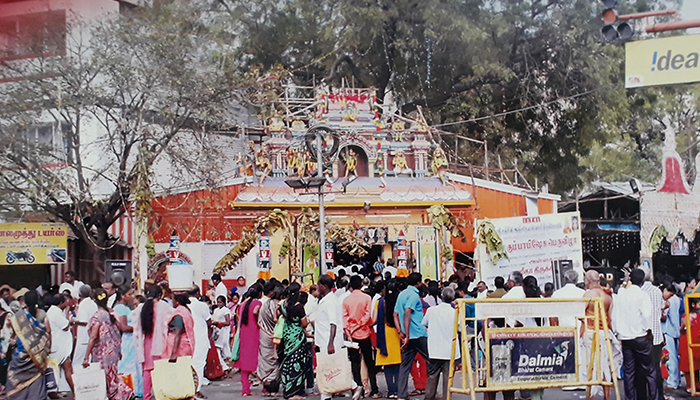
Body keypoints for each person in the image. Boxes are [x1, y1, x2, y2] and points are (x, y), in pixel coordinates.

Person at [612, 268, 657, 400]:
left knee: (629, 372)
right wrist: (648, 331)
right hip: (640, 336)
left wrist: (618, 332)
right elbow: (647, 316)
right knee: (649, 371)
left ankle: (630, 398)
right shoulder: (642, 295)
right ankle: (653, 397)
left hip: (625, 338)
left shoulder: (621, 295)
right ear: (643, 281)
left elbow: (614, 317)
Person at [314, 274, 361, 400]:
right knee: (330, 369)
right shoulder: (326, 299)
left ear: (324, 286)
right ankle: (331, 393)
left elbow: (333, 323)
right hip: (324, 340)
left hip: (329, 341)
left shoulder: (330, 301)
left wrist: (330, 343)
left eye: (319, 285)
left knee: (333, 368)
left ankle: (351, 387)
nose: (317, 287)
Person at [83, 288, 133, 400]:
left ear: (94, 300)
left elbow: (93, 337)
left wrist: (86, 356)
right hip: (114, 351)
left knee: (105, 379)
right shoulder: (111, 313)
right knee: (113, 377)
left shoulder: (97, 316)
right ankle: (124, 394)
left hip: (102, 353)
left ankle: (125, 393)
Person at [4, 290, 50, 400]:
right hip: (36, 358)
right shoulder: (42, 315)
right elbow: (47, 333)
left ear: (24, 301)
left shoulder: (19, 316)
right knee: (36, 383)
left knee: (15, 386)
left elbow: (11, 332)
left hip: (20, 357)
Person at [394, 273, 431, 400]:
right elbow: (407, 312)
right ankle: (431, 392)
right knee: (432, 361)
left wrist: (401, 332)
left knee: (405, 366)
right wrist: (408, 334)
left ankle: (402, 394)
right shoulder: (414, 295)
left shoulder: (402, 294)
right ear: (418, 283)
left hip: (406, 334)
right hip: (417, 333)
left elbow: (395, 314)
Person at [343, 275, 380, 398]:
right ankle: (374, 389)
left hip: (352, 336)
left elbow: (345, 319)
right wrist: (358, 326)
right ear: (360, 285)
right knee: (369, 362)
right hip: (364, 333)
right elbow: (366, 316)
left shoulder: (346, 300)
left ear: (350, 286)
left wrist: (349, 332)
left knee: (354, 363)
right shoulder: (367, 298)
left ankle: (359, 389)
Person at [581, 270, 615, 400]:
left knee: (591, 365)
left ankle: (590, 396)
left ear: (588, 281)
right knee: (604, 364)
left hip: (590, 331)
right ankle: (606, 396)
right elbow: (610, 319)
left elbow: (580, 314)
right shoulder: (607, 297)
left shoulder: (589, 294)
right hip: (603, 332)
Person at [133, 284, 171, 400]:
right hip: (160, 343)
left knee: (147, 372)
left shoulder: (140, 308)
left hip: (145, 344)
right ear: (160, 296)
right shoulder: (163, 306)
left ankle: (146, 397)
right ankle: (161, 396)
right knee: (161, 371)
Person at [422, 287, 459, 400]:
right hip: (449, 350)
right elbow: (460, 328)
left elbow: (424, 323)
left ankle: (429, 396)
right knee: (448, 377)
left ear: (441, 297)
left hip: (435, 349)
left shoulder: (431, 310)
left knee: (432, 376)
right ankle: (446, 397)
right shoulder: (455, 313)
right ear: (453, 298)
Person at [279, 283, 309, 400]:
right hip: (297, 337)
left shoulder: (284, 305)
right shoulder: (299, 307)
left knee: (288, 362)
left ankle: (288, 389)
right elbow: (304, 323)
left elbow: (278, 315)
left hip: (287, 335)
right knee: (298, 363)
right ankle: (295, 392)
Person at [639, 265, 664, 400]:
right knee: (656, 368)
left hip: (643, 336)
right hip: (657, 336)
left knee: (643, 370)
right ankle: (658, 396)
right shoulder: (657, 291)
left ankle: (645, 396)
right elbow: (661, 309)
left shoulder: (640, 292)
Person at [373, 280, 401, 399]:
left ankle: (391, 391)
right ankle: (398, 390)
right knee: (397, 363)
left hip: (383, 333)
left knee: (388, 365)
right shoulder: (397, 301)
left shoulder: (379, 302)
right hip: (395, 332)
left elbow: (374, 319)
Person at [113, 285, 141, 398]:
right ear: (122, 296)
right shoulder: (121, 308)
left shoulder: (125, 307)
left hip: (130, 339)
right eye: (130, 294)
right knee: (127, 366)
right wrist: (139, 328)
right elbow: (123, 327)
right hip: (127, 340)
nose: (132, 296)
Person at [235, 286, 262, 396]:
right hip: (254, 332)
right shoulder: (257, 303)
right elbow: (255, 312)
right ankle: (265, 388)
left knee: (244, 361)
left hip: (244, 333)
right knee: (259, 359)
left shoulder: (243, 304)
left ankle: (245, 389)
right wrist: (257, 322)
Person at [46, 293, 75, 394]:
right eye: (65, 301)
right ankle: (76, 392)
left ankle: (54, 393)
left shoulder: (54, 311)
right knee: (67, 369)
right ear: (61, 303)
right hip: (59, 347)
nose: (67, 303)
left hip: (58, 345)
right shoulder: (55, 312)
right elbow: (65, 326)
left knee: (57, 371)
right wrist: (67, 314)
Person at [258, 285, 282, 396]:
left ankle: (266, 389)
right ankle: (273, 389)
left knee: (264, 360)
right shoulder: (277, 305)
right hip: (274, 336)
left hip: (263, 335)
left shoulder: (265, 304)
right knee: (274, 362)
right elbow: (276, 320)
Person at [188, 286, 212, 396]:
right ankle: (196, 390)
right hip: (200, 337)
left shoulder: (183, 305)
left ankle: (190, 388)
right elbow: (209, 321)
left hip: (188, 338)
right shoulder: (202, 305)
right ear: (197, 293)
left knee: (190, 363)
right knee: (199, 364)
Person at [163, 293, 196, 362]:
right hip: (185, 345)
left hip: (180, 348)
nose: (172, 302)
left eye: (173, 300)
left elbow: (178, 333)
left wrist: (174, 352)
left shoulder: (179, 314)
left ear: (177, 301)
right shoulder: (186, 310)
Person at [72, 285, 97, 369]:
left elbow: (84, 321)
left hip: (84, 338)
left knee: (78, 364)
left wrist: (73, 321)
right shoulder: (92, 303)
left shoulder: (84, 304)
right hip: (89, 336)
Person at [662, 282, 681, 390]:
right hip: (674, 331)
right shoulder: (677, 299)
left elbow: (670, 317)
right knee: (675, 357)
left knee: (670, 357)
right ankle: (676, 380)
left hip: (668, 330)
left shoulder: (670, 301)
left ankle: (672, 381)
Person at [679, 297, 700, 392]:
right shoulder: (685, 316)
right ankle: (689, 384)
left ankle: (697, 383)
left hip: (697, 342)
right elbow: (682, 330)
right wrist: (684, 326)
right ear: (693, 305)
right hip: (687, 342)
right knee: (687, 364)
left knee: (697, 365)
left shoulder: (699, 315)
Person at [212, 295, 232, 372]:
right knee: (218, 349)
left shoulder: (225, 310)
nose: (219, 304)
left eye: (220, 302)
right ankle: (224, 366)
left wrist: (219, 323)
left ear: (224, 303)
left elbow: (228, 322)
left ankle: (225, 366)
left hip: (223, 331)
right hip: (216, 330)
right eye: (218, 302)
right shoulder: (216, 310)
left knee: (222, 348)